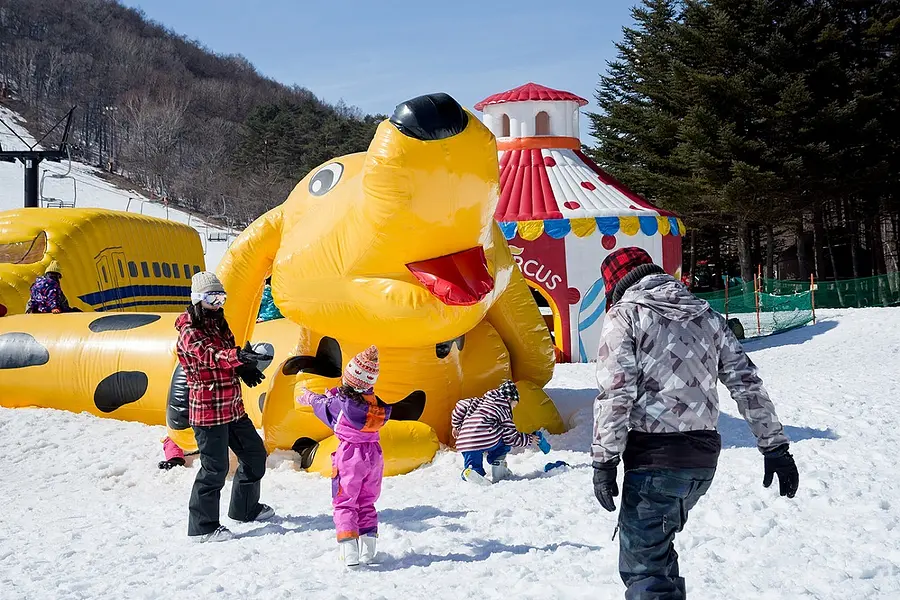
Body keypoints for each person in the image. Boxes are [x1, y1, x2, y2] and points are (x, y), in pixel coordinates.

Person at [591, 247, 799, 600]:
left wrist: (604, 460)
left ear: (616, 285)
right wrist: (775, 446)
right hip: (702, 460)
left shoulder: (625, 316)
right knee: (658, 550)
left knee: (644, 568)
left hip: (655, 459)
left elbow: (616, 392)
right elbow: (746, 382)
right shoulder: (707, 316)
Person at [175, 271, 275, 543]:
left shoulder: (220, 323)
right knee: (214, 469)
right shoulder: (188, 330)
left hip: (232, 407)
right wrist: (236, 356)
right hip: (207, 410)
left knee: (255, 456)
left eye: (221, 297)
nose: (218, 303)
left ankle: (244, 509)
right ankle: (203, 528)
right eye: (211, 298)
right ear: (198, 299)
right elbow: (210, 355)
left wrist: (243, 367)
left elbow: (226, 355)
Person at [451, 379, 537, 485]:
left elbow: (461, 405)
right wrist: (529, 439)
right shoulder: (503, 410)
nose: (512, 409)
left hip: (465, 440)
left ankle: (471, 472)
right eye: (513, 406)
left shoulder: (478, 401)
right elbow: (511, 437)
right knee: (505, 440)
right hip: (486, 438)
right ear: (509, 399)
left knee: (473, 463)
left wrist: (456, 425)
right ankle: (498, 465)